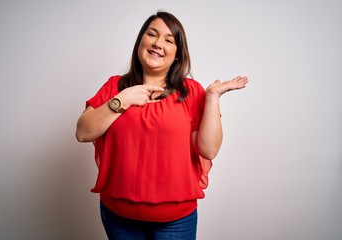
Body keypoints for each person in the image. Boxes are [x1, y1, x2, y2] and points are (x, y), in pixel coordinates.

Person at [76, 11, 248, 240]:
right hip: (119, 217)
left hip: (176, 221)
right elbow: (83, 132)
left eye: (169, 40)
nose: (158, 43)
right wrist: (123, 100)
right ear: (140, 41)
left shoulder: (192, 91)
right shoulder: (115, 87)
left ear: (177, 54)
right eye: (152, 34)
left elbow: (207, 149)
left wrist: (213, 97)